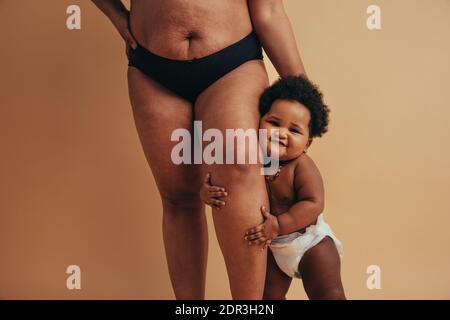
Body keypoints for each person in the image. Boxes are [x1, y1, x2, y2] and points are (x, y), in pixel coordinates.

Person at [91, 0, 306, 299]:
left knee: (241, 169)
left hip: (232, 63)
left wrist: (302, 93)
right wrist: (116, 16)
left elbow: (268, 10)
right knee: (179, 197)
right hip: (152, 70)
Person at [201, 76, 346, 300]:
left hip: (310, 245)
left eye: (294, 131)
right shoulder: (252, 159)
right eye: (274, 123)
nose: (281, 133)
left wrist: (279, 225)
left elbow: (314, 203)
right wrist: (207, 193)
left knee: (328, 294)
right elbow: (230, 183)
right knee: (268, 296)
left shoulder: (301, 166)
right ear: (259, 122)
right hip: (275, 248)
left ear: (307, 143)